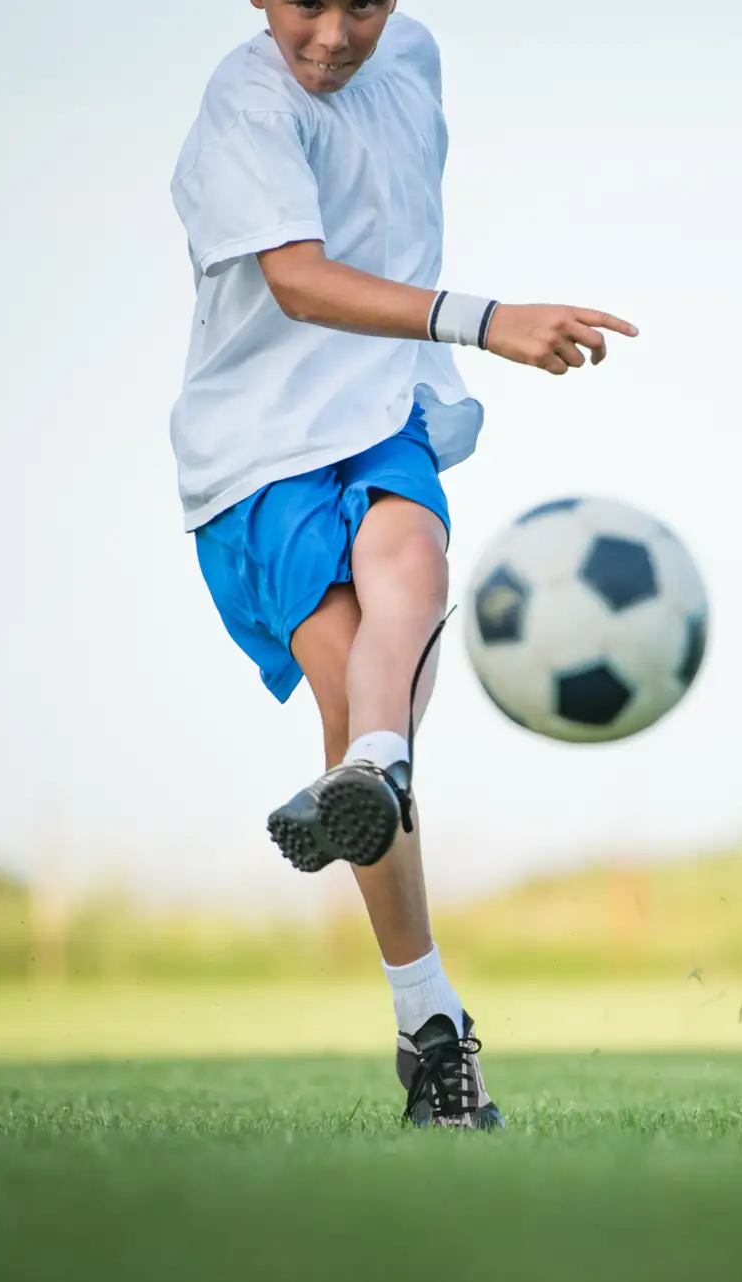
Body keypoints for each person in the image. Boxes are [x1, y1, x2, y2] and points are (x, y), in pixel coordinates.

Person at [168, 0, 636, 1129]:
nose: (331, 35)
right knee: (349, 690)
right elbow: (297, 278)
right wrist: (487, 321)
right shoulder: (246, 103)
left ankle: (374, 773)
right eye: (306, 5)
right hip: (258, 448)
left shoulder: (416, 57)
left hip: (381, 411)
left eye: (363, 7)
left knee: (411, 560)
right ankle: (428, 1018)